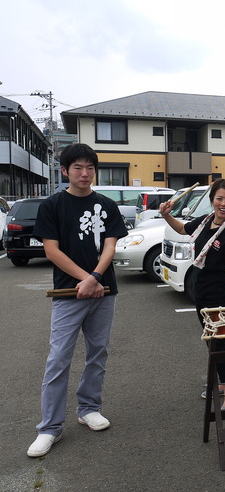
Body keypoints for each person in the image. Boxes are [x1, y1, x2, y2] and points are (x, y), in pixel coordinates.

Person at [27, 143, 129, 458]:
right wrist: (84, 280)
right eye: (77, 168)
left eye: (89, 168)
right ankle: (50, 428)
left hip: (103, 291)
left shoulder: (107, 205)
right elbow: (51, 250)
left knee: (98, 353)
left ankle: (88, 408)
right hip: (69, 294)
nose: (84, 174)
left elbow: (109, 246)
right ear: (65, 171)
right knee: (58, 359)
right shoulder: (53, 205)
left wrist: (95, 278)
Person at [159, 178, 225, 410]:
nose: (223, 203)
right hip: (200, 290)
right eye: (219, 198)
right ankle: (222, 383)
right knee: (211, 341)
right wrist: (166, 214)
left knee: (218, 342)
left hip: (217, 294)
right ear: (212, 201)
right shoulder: (206, 221)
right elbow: (182, 228)